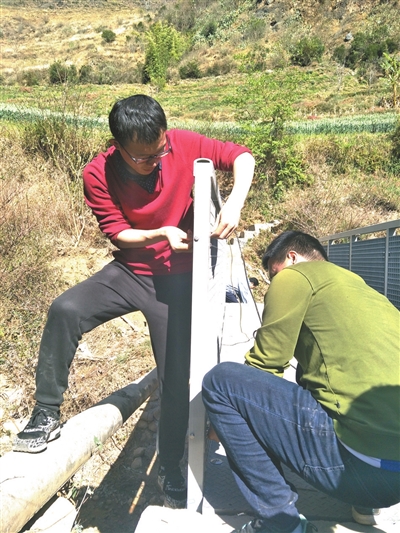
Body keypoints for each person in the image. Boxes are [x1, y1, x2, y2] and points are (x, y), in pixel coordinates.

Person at [13, 94, 255, 509]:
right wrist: (159, 233)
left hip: (179, 281)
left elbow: (242, 157)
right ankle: (46, 412)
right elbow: (118, 233)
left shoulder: (180, 144)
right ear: (119, 147)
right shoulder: (97, 173)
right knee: (65, 309)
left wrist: (234, 202)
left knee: (175, 377)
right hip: (131, 271)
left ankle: (170, 465)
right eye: (144, 157)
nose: (157, 161)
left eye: (161, 149)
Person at [203, 230, 400, 533]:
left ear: (292, 258)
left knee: (222, 383)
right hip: (391, 482)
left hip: (359, 469)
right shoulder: (363, 289)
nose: (273, 283)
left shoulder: (295, 276)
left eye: (273, 274)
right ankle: (364, 508)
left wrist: (220, 426)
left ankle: (280, 522)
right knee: (333, 384)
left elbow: (265, 366)